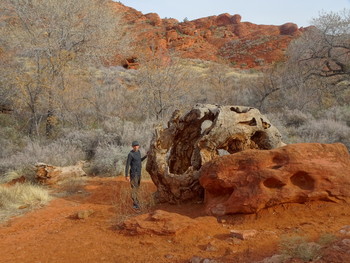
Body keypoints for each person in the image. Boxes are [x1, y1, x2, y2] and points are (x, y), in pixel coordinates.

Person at [125, 140, 147, 210]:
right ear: (132, 147)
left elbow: (139, 160)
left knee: (137, 188)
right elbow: (127, 165)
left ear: (139, 146)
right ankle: (135, 204)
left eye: (137, 146)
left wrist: (146, 156)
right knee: (134, 188)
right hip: (133, 174)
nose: (135, 147)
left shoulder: (139, 152)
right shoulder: (130, 154)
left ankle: (136, 201)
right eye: (134, 146)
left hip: (139, 173)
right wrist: (126, 175)